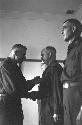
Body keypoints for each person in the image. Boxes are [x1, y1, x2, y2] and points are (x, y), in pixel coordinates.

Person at [0, 44, 41, 125]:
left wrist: (33, 81)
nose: (25, 57)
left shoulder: (14, 66)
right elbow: (14, 89)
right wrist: (30, 94)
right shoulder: (6, 65)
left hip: (13, 105)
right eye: (23, 54)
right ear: (15, 52)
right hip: (8, 106)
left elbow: (22, 86)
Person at [28, 46, 63, 125]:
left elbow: (56, 90)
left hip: (51, 107)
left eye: (42, 55)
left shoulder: (55, 68)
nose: (41, 57)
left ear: (49, 54)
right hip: (47, 105)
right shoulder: (50, 68)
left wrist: (56, 110)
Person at [61, 18, 82, 125]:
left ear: (73, 29)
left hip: (76, 95)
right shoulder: (71, 49)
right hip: (68, 95)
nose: (61, 32)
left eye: (64, 28)